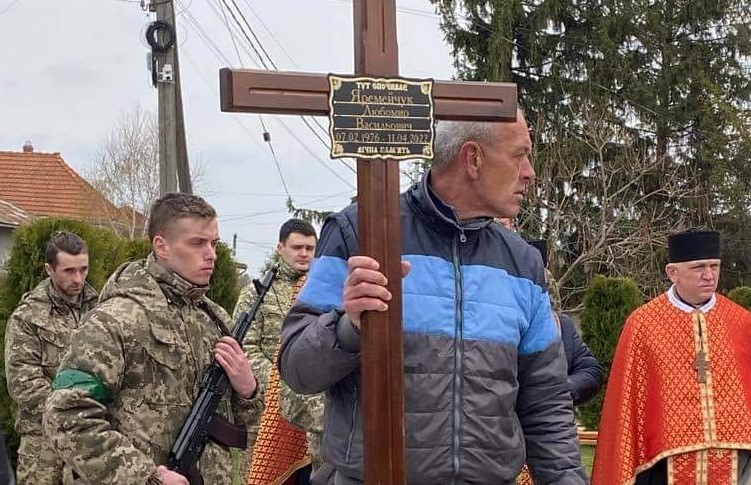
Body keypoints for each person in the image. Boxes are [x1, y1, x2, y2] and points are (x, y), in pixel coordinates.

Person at [279, 111, 588, 484]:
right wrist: (349, 326)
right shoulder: (360, 232)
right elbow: (298, 370)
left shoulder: (522, 262)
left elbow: (547, 402)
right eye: (519, 155)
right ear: (472, 159)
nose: (529, 173)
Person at [43, 193, 262, 485]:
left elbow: (250, 431)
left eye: (214, 243)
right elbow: (66, 416)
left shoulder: (215, 319)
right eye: (198, 243)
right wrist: (145, 477)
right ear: (162, 246)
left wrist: (248, 391)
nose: (211, 254)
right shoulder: (116, 319)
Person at [592, 228, 751, 484]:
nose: (709, 275)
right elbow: (627, 400)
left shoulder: (740, 321)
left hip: (735, 456)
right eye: (698, 267)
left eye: (714, 266)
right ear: (672, 273)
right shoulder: (644, 325)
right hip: (661, 463)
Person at [4, 230, 97, 485]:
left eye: (83, 269)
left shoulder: (100, 308)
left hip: (90, 442)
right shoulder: (28, 317)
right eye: (69, 271)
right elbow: (23, 384)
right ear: (49, 269)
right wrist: (72, 410)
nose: (78, 279)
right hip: (43, 445)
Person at [243, 219, 318, 485]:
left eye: (310, 248)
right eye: (297, 247)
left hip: (314, 412)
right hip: (271, 411)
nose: (304, 254)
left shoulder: (322, 291)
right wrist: (279, 382)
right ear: (280, 248)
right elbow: (246, 346)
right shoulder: (258, 293)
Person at [525, 239, 603, 405]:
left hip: (553, 415)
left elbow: (591, 371)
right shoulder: (501, 327)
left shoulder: (563, 326)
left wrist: (562, 389)